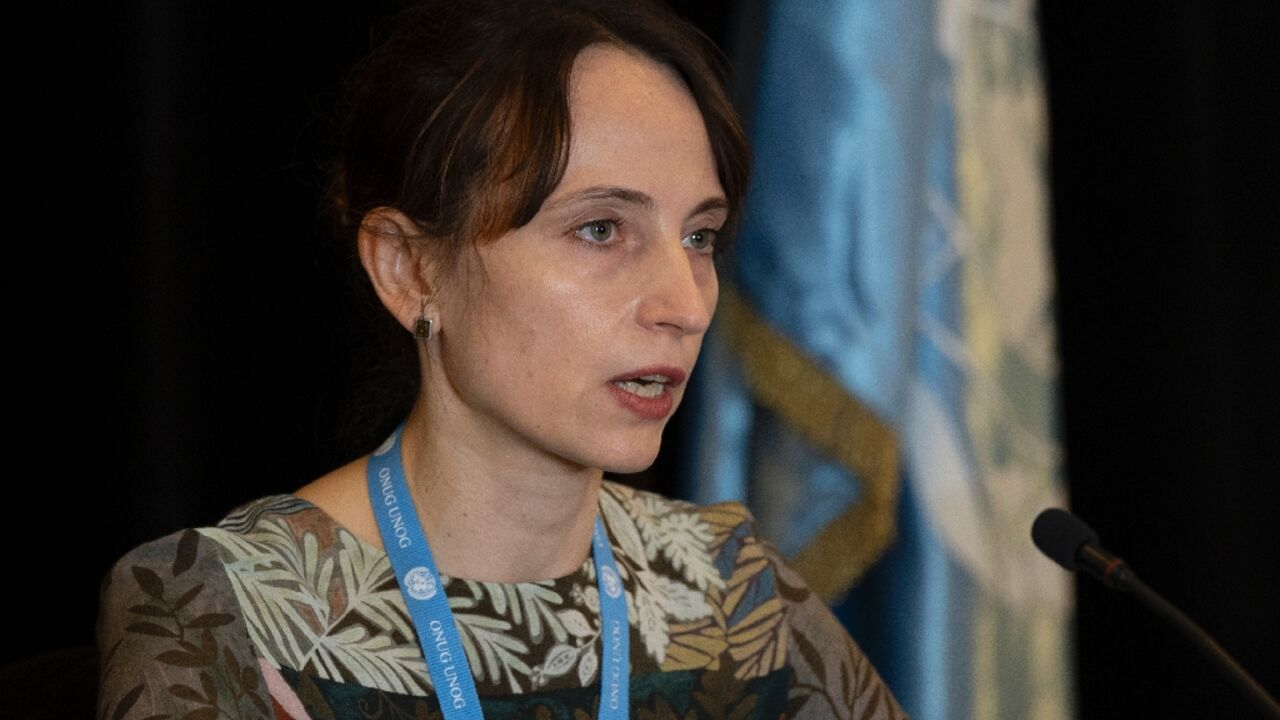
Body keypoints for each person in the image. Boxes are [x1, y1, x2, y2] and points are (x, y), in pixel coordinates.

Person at [96, 1, 907, 718]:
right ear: (408, 270)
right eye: (601, 230)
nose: (688, 306)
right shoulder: (217, 609)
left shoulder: (731, 593)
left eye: (699, 236)